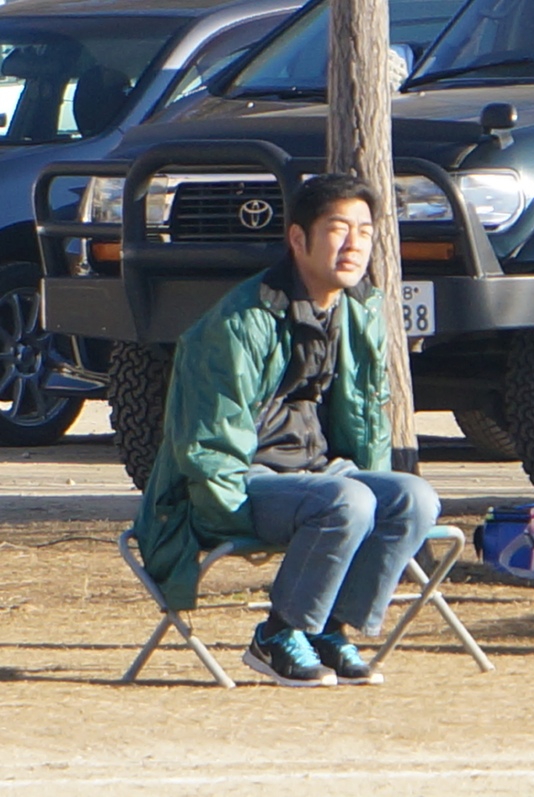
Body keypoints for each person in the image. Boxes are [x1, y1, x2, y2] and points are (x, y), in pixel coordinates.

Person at [132, 173, 439, 686]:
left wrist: (364, 481)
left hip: (317, 477)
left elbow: (367, 424)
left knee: (414, 498)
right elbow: (207, 445)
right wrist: (229, 517)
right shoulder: (239, 322)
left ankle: (329, 630)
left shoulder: (357, 310)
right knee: (347, 502)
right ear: (298, 238)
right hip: (240, 485)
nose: (354, 245)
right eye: (338, 229)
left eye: (365, 231)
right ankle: (276, 635)